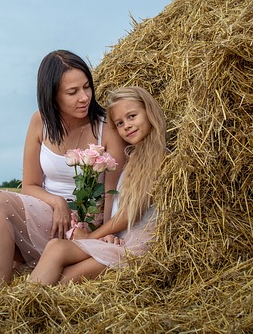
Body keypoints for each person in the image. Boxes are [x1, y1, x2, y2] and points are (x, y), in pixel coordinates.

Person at [0, 50, 126, 286]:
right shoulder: (40, 122)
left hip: (86, 223)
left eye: (87, 87)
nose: (84, 97)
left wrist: (105, 233)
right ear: (52, 96)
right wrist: (56, 202)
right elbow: (30, 185)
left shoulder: (105, 127)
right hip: (48, 213)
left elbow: (113, 192)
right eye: (72, 92)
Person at [28, 86, 168, 285]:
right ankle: (22, 303)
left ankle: (25, 305)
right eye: (119, 123)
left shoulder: (158, 157)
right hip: (119, 240)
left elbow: (129, 213)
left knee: (64, 279)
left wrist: (91, 237)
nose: (126, 126)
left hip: (136, 248)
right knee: (56, 248)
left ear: (149, 113)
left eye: (132, 116)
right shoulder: (133, 157)